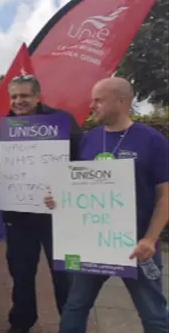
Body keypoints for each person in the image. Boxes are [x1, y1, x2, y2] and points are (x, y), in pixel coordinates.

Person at [45, 77, 169, 333]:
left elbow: (165, 195)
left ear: (121, 101)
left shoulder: (152, 141)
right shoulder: (89, 139)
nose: (92, 105)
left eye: (99, 100)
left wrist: (150, 239)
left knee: (154, 314)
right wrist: (60, 200)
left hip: (137, 247)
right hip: (92, 245)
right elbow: (82, 190)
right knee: (75, 307)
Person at [0, 75, 83, 333]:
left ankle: (69, 324)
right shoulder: (5, 125)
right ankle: (21, 322)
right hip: (18, 214)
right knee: (21, 273)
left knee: (63, 275)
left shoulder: (62, 122)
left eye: (24, 96)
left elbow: (80, 162)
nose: (19, 101)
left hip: (55, 213)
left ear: (38, 96)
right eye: (14, 96)